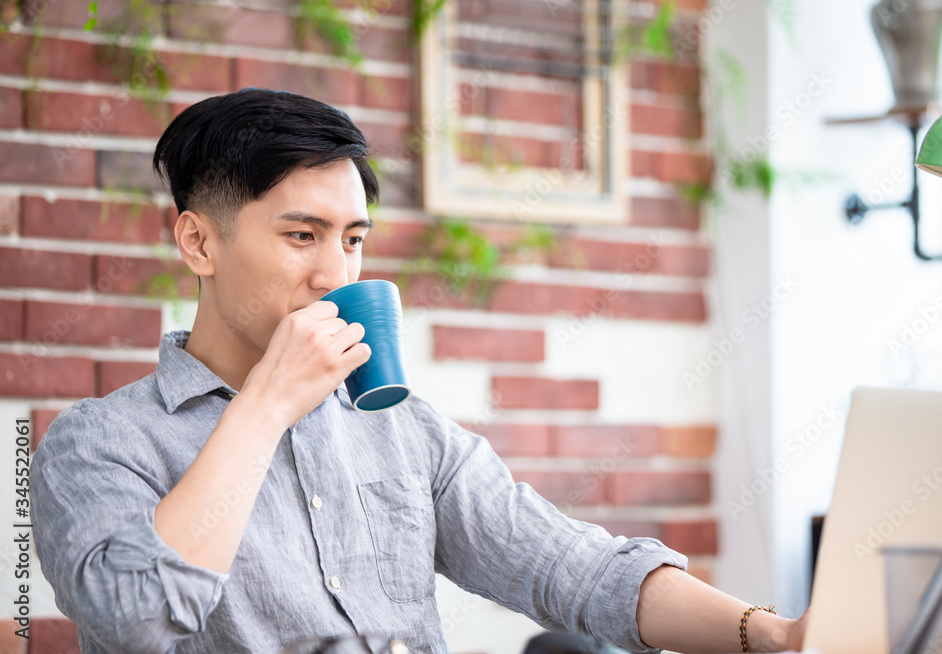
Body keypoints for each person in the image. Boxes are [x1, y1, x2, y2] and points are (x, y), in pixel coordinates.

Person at [30, 88, 808, 654]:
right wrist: (264, 406)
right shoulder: (97, 445)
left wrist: (768, 631)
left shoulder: (403, 430)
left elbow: (572, 567)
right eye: (303, 235)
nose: (336, 273)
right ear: (199, 244)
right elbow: (135, 618)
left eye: (354, 240)